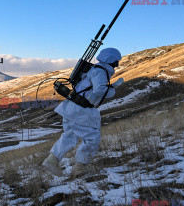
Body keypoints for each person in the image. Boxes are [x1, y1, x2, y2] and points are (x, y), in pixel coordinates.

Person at [42, 48, 124, 177]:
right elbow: (99, 91)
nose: (117, 65)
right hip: (81, 110)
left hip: (72, 106)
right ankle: (80, 167)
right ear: (110, 60)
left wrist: (113, 85)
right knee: (92, 137)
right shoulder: (100, 72)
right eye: (116, 62)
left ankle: (51, 160)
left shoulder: (95, 69)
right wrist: (113, 90)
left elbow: (91, 89)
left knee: (69, 136)